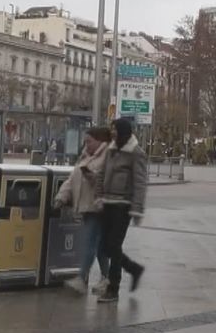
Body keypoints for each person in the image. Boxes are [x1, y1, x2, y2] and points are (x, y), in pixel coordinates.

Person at [95, 118, 148, 303]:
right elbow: (102, 173)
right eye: (112, 129)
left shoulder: (136, 153)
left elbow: (140, 182)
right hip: (107, 202)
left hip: (123, 205)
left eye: (115, 129)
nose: (113, 132)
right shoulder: (110, 149)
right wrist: (99, 195)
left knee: (113, 246)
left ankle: (113, 289)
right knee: (105, 246)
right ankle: (134, 269)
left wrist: (137, 208)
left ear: (123, 131)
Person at [54, 127, 112, 295]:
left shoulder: (108, 156)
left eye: (89, 141)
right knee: (99, 245)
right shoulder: (85, 156)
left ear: (100, 141)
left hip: (98, 207)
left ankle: (81, 277)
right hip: (86, 207)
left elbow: (108, 182)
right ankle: (106, 278)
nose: (86, 145)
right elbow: (72, 179)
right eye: (85, 141)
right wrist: (61, 197)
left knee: (90, 242)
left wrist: (94, 178)